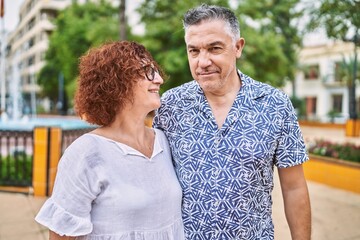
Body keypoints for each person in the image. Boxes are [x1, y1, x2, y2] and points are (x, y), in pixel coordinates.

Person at [153, 4, 311, 240]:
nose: (202, 61)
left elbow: (294, 188)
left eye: (214, 48)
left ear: (238, 47)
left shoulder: (275, 104)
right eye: (193, 51)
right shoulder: (171, 105)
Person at [35, 41, 185, 240]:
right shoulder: (86, 153)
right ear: (117, 82)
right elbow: (61, 236)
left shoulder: (164, 141)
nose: (158, 79)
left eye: (155, 70)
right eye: (147, 71)